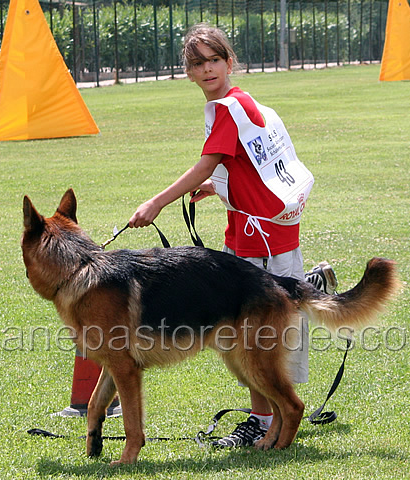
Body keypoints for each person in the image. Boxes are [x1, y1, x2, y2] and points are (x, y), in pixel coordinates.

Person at [128, 23, 337, 447]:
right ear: (187, 71)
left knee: (254, 339)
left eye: (214, 60)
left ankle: (262, 422)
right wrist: (220, 186)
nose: (207, 69)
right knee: (257, 334)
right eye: (198, 62)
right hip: (274, 233)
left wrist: (156, 203)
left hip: (256, 240)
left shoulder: (226, 109)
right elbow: (244, 163)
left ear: (229, 61)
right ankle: (308, 288)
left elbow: (206, 164)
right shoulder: (244, 102)